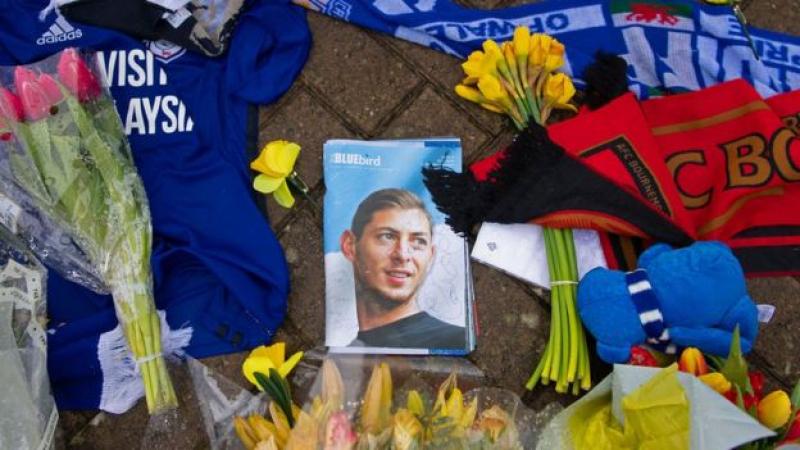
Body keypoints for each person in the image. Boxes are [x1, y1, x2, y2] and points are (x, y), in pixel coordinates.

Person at [340, 188, 465, 349]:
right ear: (350, 246)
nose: (403, 255)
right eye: (387, 236)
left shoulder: (456, 341)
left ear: (431, 256)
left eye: (418, 241)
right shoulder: (341, 347)